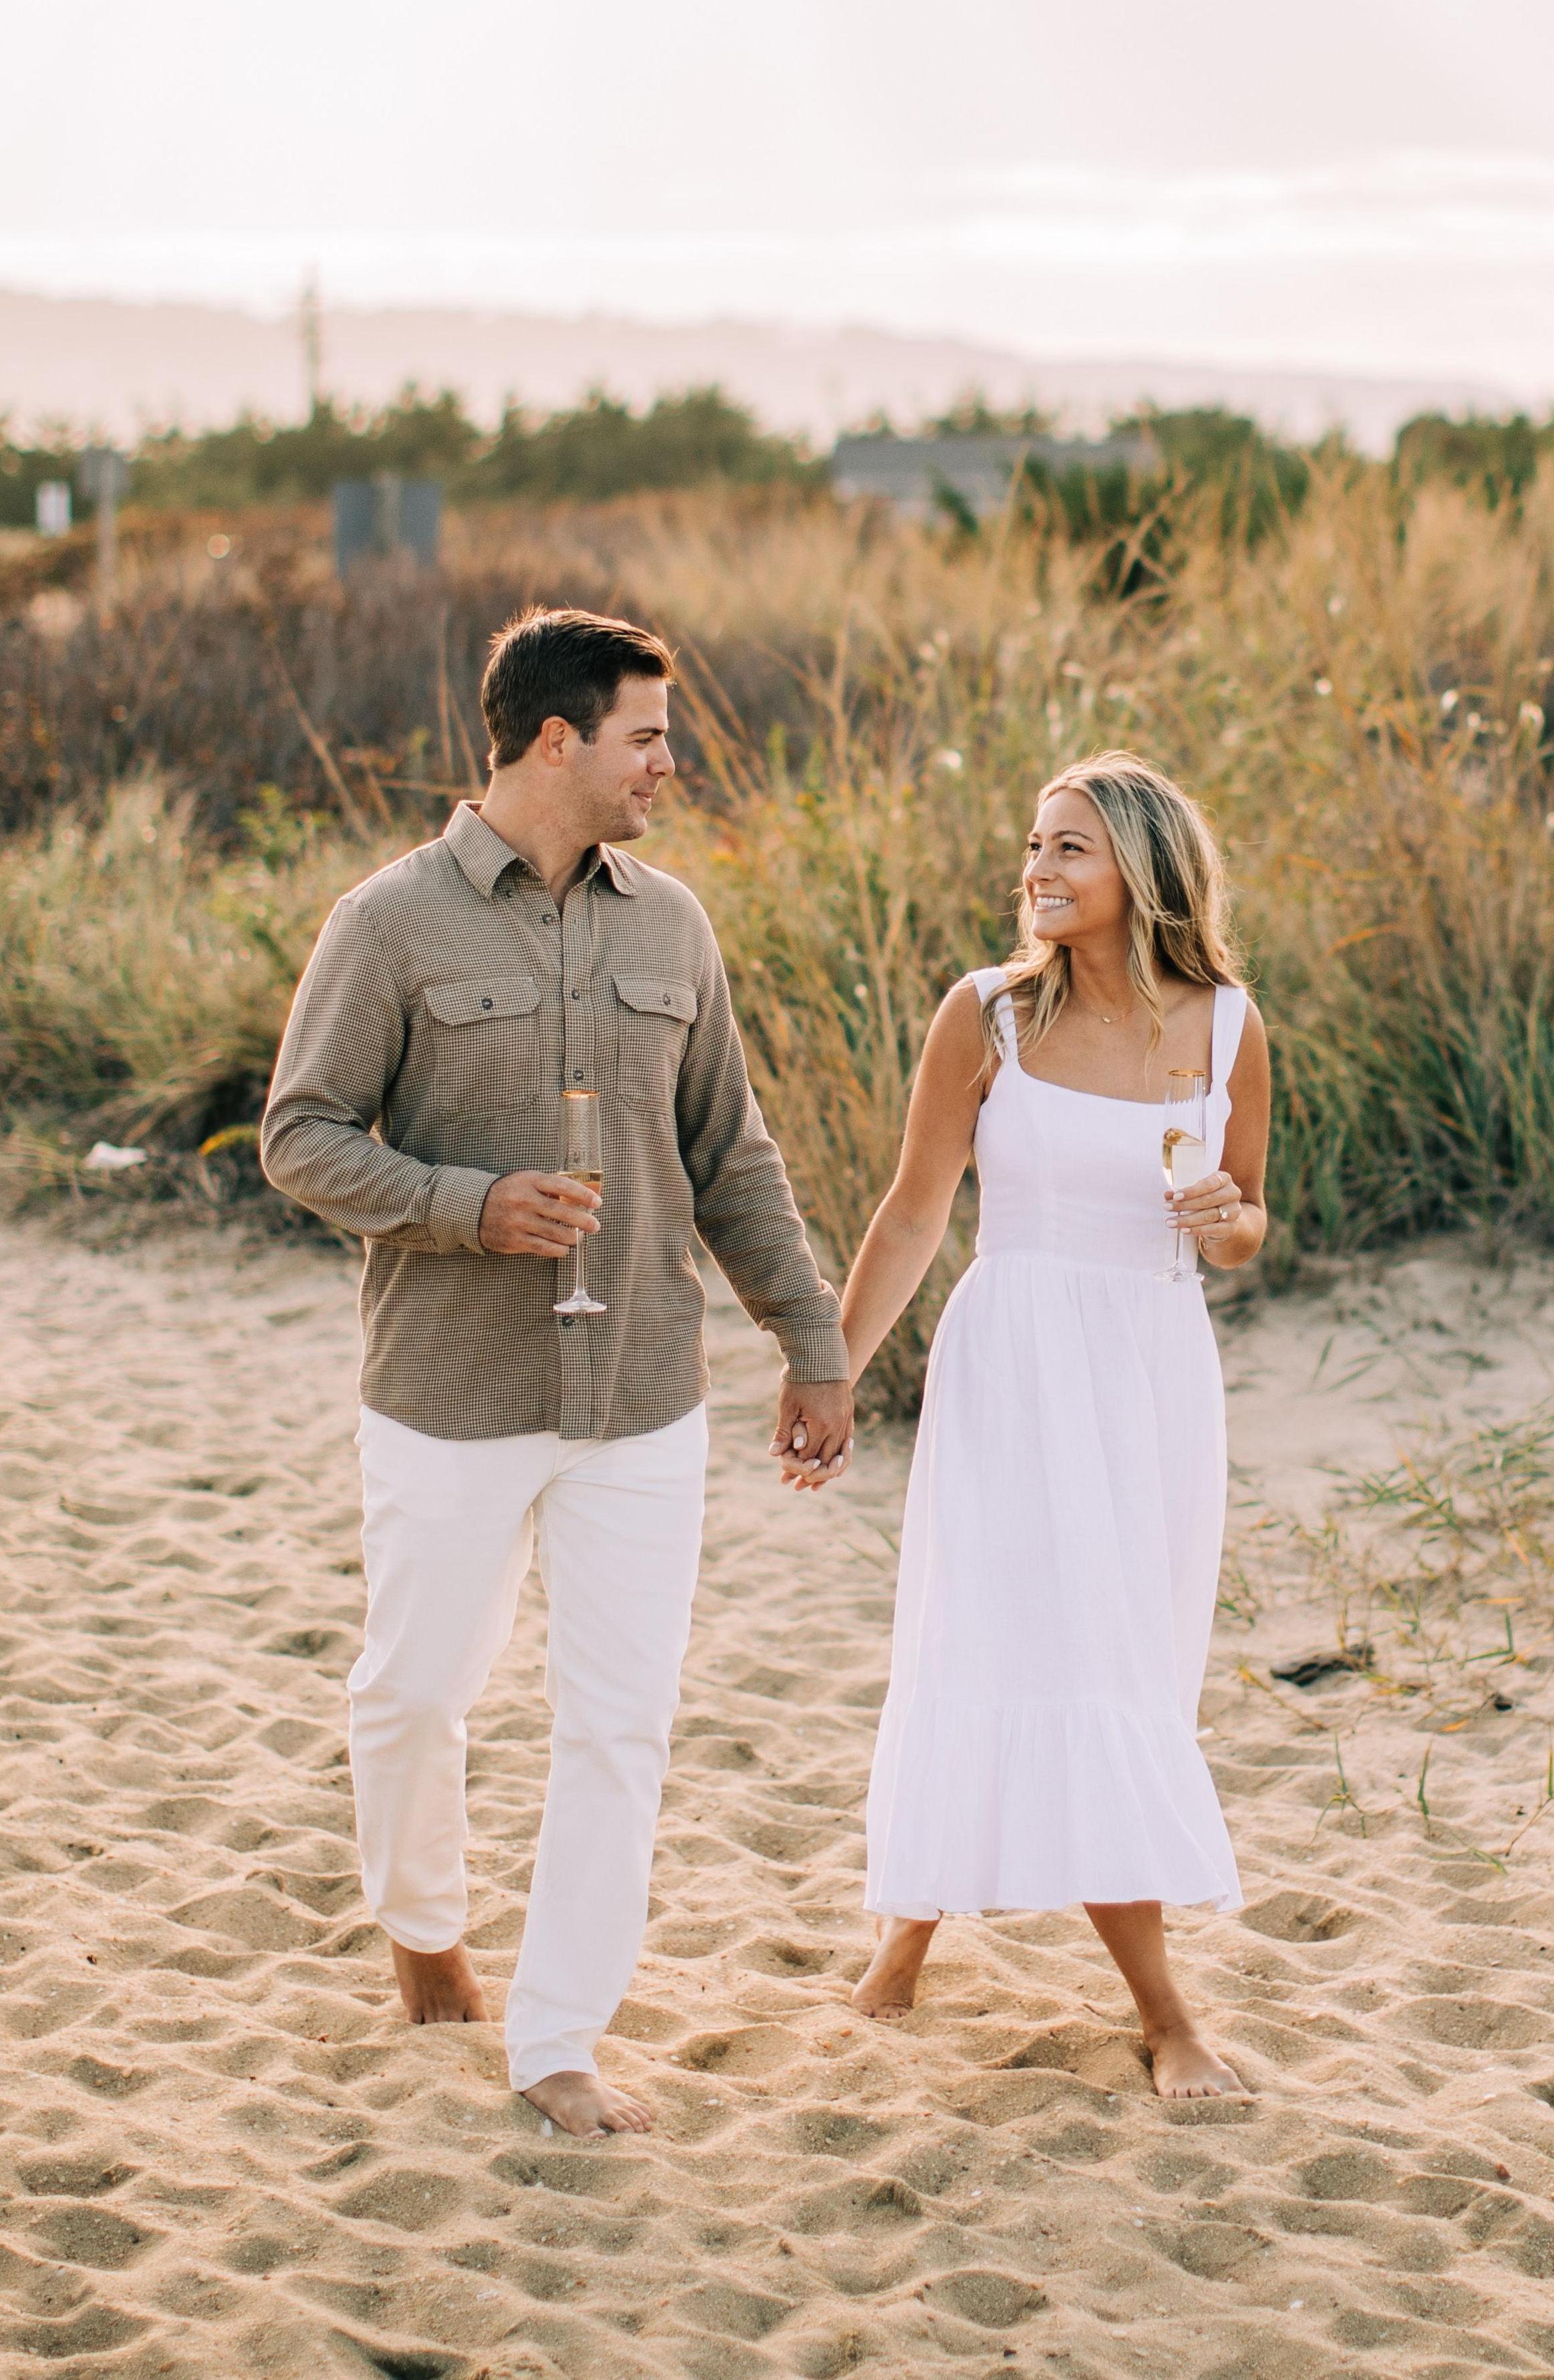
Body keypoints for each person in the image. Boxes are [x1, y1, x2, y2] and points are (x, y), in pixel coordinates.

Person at [260, 609, 852, 2139]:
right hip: (451, 1391)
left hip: (644, 1396)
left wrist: (814, 1342)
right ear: (552, 740)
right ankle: (425, 1941)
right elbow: (300, 1137)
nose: (670, 763)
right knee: (409, 1698)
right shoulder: (386, 925)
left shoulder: (674, 929)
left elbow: (732, 1154)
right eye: (647, 735)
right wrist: (471, 1207)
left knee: (618, 1726)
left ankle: (559, 2037)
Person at [835, 751, 1265, 2097]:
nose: (1038, 869)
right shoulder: (986, 1017)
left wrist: (1228, 1221)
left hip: (1148, 1370)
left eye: (1070, 847)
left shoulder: (1229, 1026)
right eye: (1034, 845)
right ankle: (1149, 2007)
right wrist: (828, 1373)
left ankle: (916, 1941)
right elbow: (914, 1211)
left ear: (1141, 867)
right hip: (1012, 1359)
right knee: (988, 1636)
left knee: (1118, 1664)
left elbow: (1248, 1219)